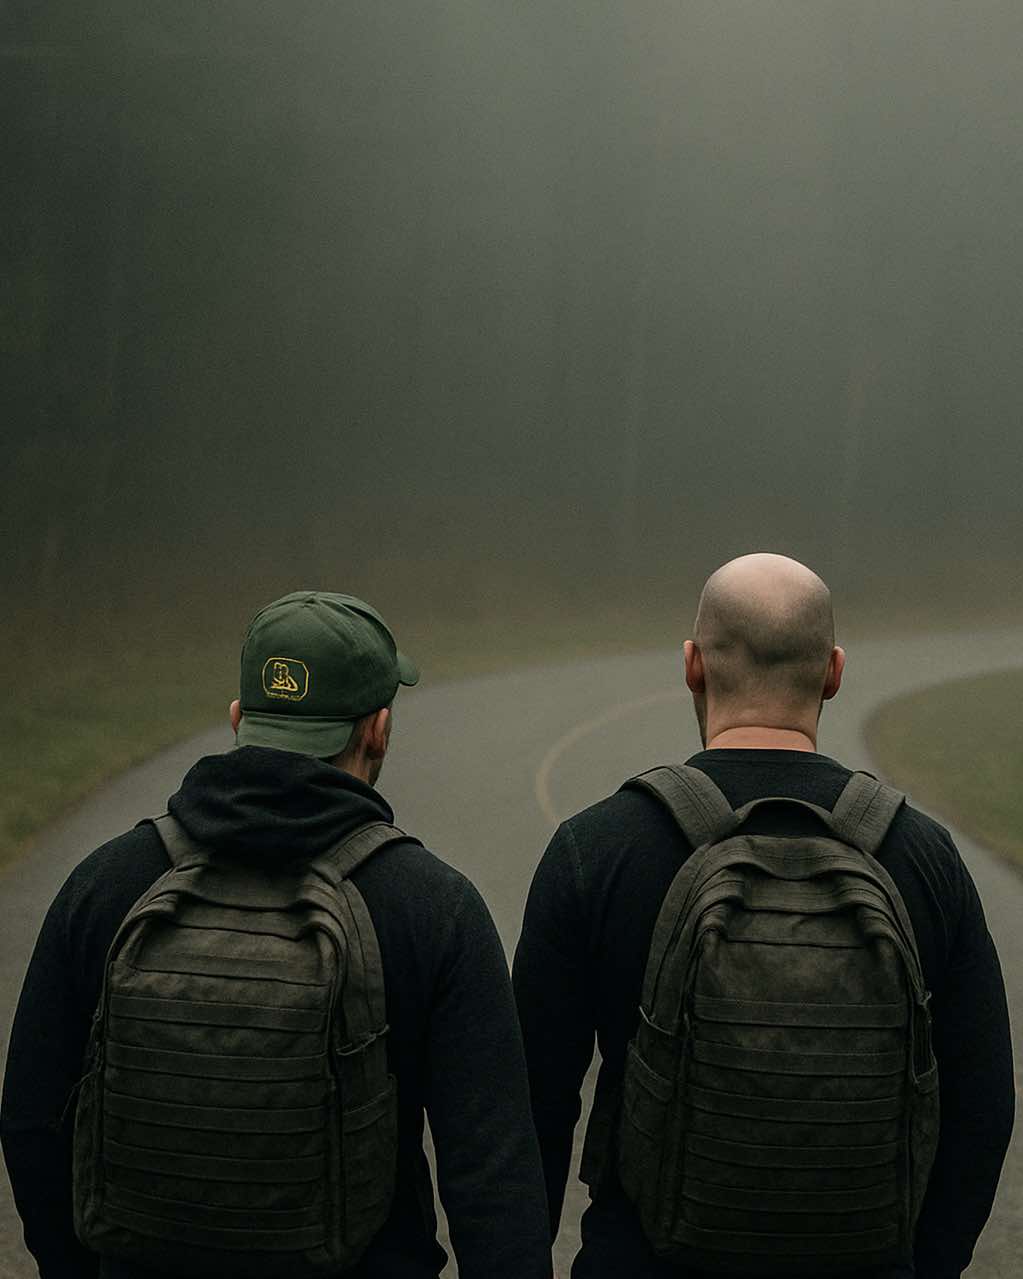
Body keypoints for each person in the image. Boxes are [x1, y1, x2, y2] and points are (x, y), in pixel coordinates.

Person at [2, 589, 553, 1279]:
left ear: (238, 719)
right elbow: (492, 1180)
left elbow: (30, 1124)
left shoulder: (106, 881)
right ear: (378, 729)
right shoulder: (433, 906)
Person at [513, 553, 1014, 1279]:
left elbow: (532, 1104)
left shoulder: (596, 849)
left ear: (691, 665)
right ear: (834, 672)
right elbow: (982, 1107)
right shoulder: (922, 856)